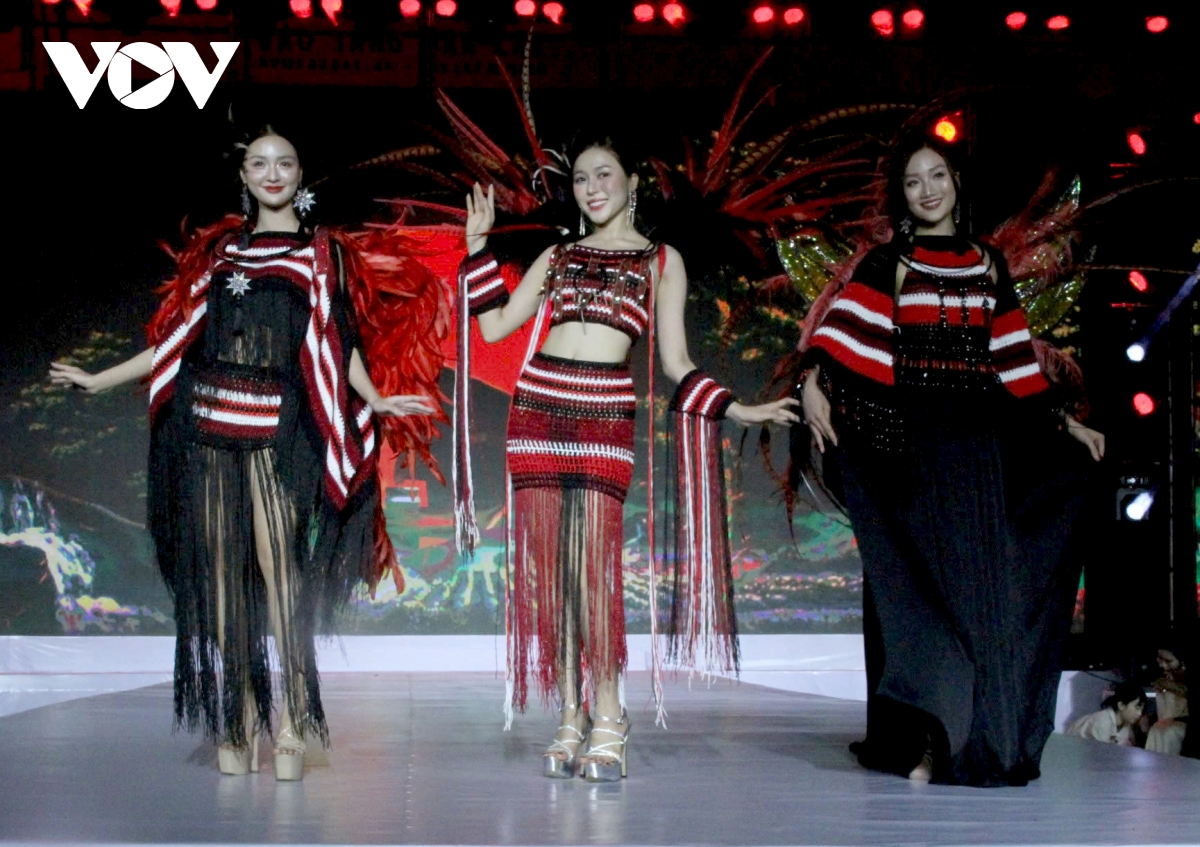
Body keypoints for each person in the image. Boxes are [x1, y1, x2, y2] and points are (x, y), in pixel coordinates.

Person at [49, 128, 441, 780]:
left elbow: (335, 338)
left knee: (278, 568)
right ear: (244, 177)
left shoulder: (320, 253)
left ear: (301, 174)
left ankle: (292, 718)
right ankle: (237, 710)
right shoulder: (222, 252)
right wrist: (98, 380)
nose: (272, 172)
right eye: (260, 163)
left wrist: (374, 396)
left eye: (285, 162)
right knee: (224, 574)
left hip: (276, 431)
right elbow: (179, 337)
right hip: (209, 424)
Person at [456, 134, 798, 781]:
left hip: (604, 416)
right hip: (538, 410)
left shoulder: (661, 261)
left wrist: (738, 408)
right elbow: (496, 327)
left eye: (604, 175)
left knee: (593, 572)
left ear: (632, 183)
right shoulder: (558, 255)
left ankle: (610, 712)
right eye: (581, 178)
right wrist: (477, 252)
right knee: (555, 575)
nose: (592, 188)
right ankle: (570, 714)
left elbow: (676, 362)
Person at [798, 134, 1104, 786]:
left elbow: (1014, 360)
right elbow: (839, 337)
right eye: (913, 181)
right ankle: (920, 737)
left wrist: (1064, 422)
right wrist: (812, 384)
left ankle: (974, 740)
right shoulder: (892, 261)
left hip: (978, 452)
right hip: (911, 448)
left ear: (955, 182)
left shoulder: (987, 263)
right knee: (916, 596)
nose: (927, 190)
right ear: (903, 196)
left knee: (978, 599)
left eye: (936, 175)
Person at [1066, 682, 1146, 746]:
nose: (1140, 714)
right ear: (1121, 705)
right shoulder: (1103, 722)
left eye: (1141, 710)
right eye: (1137, 708)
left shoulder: (1125, 725)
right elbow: (1101, 755)